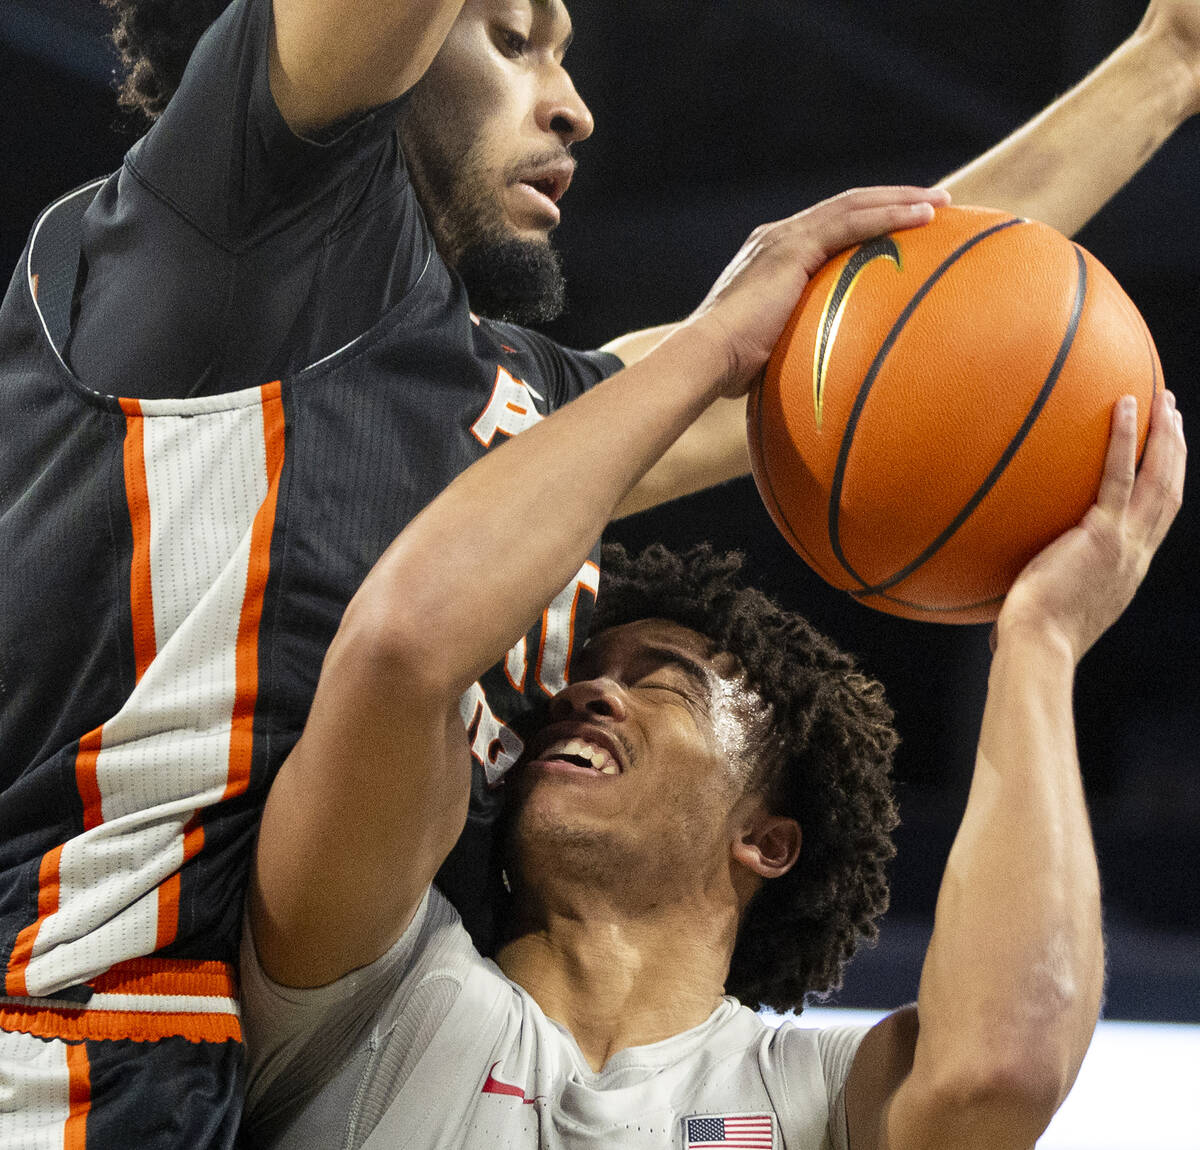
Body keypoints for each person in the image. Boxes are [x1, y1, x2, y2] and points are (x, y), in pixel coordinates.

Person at [0, 0, 1194, 1143]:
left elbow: (903, 317)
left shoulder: (516, 412)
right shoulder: (219, 232)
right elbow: (405, 641)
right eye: (514, 40)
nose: (572, 105)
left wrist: (1165, 66)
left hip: (204, 1071)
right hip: (52, 1035)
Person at [238, 182, 1187, 1146]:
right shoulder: (375, 990)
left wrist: (1040, 645)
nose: (586, 692)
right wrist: (711, 347)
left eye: (662, 682)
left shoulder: (805, 1100)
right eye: (576, 678)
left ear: (768, 843)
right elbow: (402, 644)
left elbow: (1005, 1067)